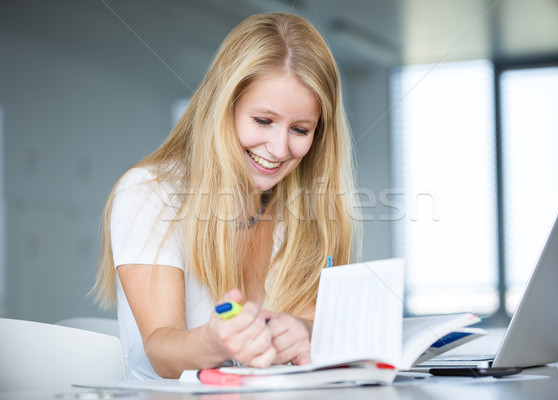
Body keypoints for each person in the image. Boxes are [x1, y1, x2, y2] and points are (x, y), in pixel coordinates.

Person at [92, 12, 359, 380]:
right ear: (223, 107)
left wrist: (308, 334)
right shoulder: (150, 192)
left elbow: (309, 328)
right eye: (263, 121)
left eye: (300, 129)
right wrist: (216, 342)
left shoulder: (306, 209)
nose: (279, 149)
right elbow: (162, 351)